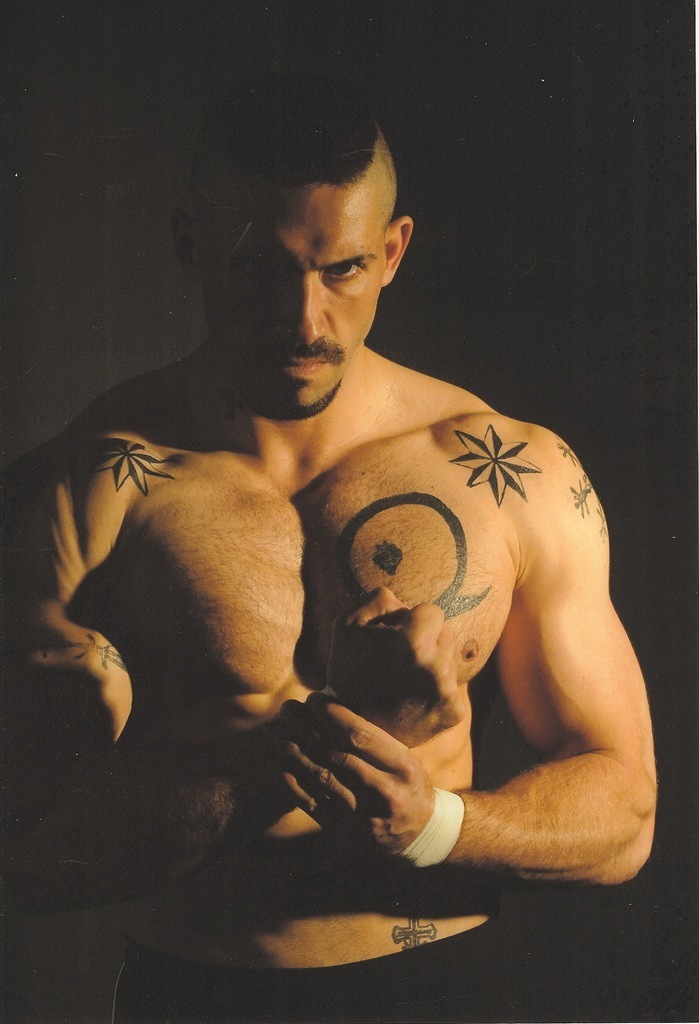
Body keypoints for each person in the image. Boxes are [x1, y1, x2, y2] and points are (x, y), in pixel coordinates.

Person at [4, 73, 656, 1023]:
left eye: (342, 269)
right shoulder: (77, 494)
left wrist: (433, 824)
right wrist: (321, 743)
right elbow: (29, 856)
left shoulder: (508, 473)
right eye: (257, 269)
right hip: (200, 996)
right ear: (188, 245)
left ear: (392, 252)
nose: (303, 322)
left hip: (441, 990)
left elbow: (624, 815)